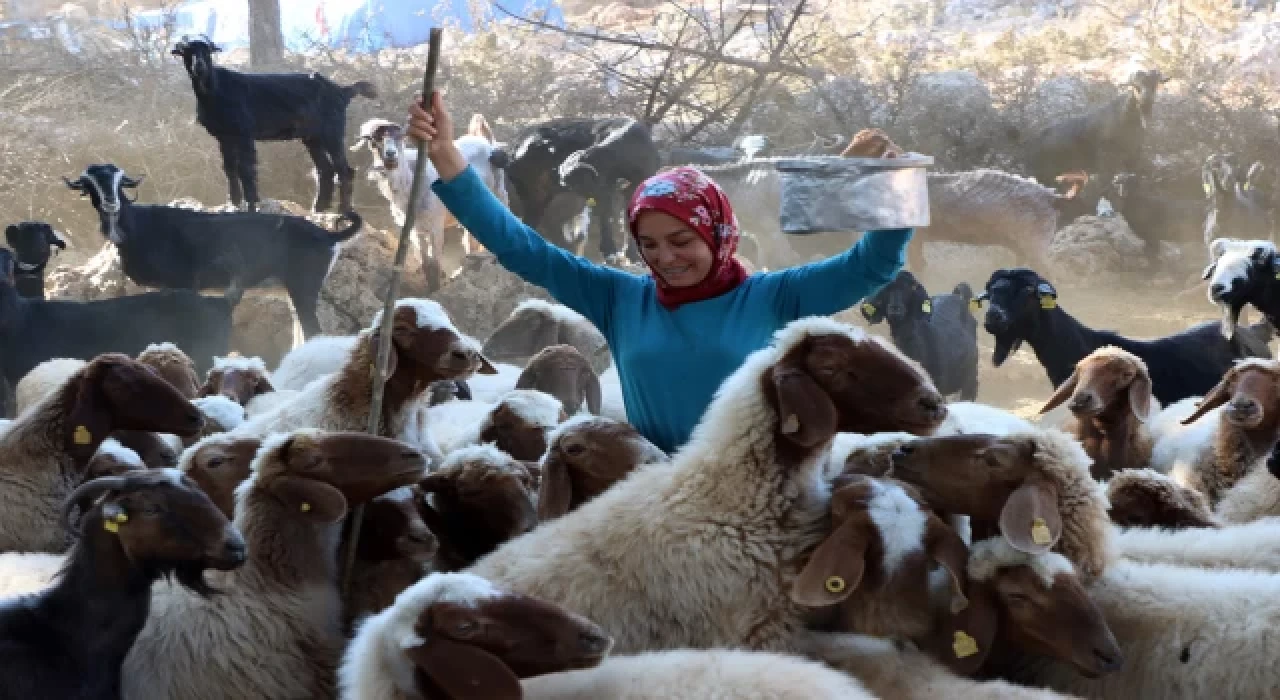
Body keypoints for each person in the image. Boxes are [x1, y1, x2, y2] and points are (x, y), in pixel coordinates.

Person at [408, 92, 914, 454]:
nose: (664, 258)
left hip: (759, 488)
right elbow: (522, 248)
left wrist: (892, 194)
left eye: (681, 241)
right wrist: (446, 157)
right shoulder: (620, 298)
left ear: (717, 234)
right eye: (647, 244)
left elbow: (870, 265)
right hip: (655, 490)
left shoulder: (774, 298)